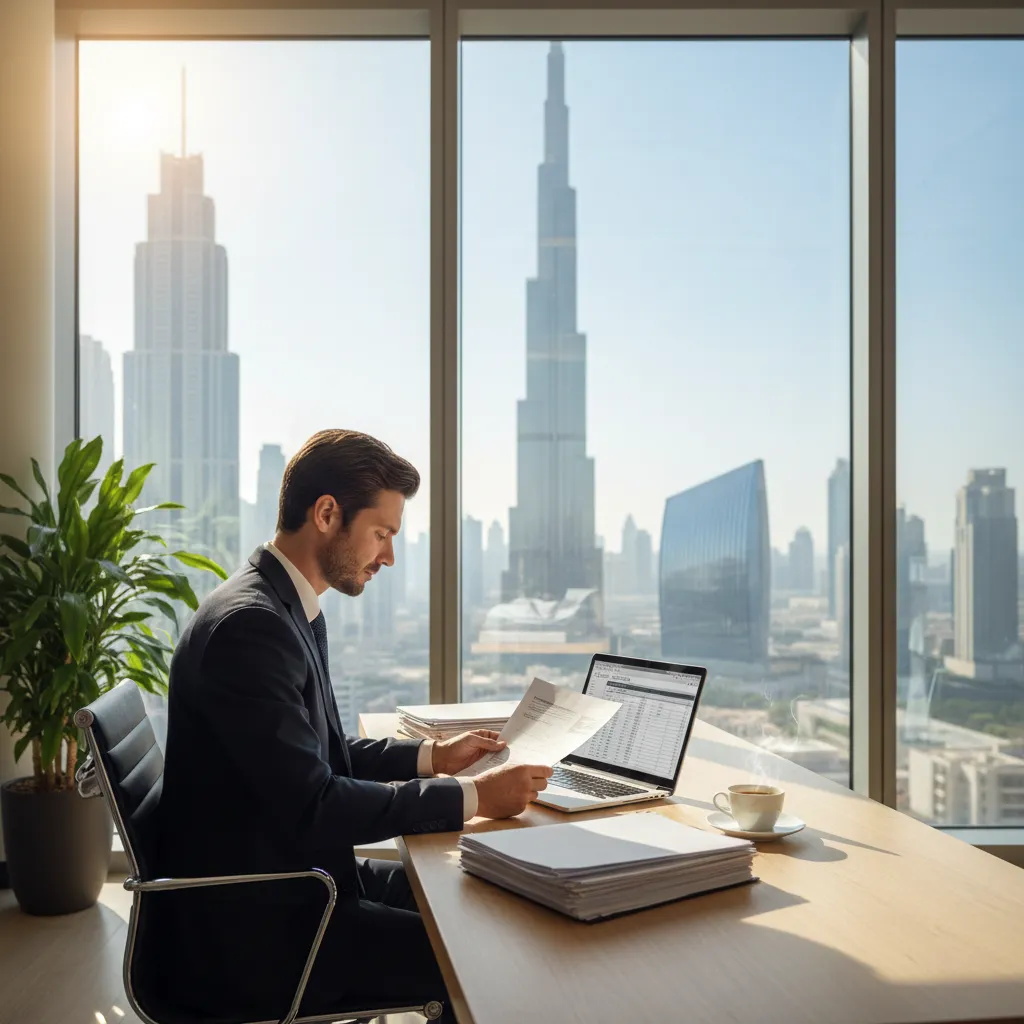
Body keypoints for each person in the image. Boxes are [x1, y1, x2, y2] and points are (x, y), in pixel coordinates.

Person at [152, 429, 552, 1021]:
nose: (388, 555)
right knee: (484, 951)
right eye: (382, 533)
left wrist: (434, 758)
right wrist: (471, 798)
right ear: (327, 513)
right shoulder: (252, 629)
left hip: (296, 879)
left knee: (478, 901)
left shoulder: (280, 606)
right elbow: (314, 804)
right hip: (267, 932)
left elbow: (322, 754)